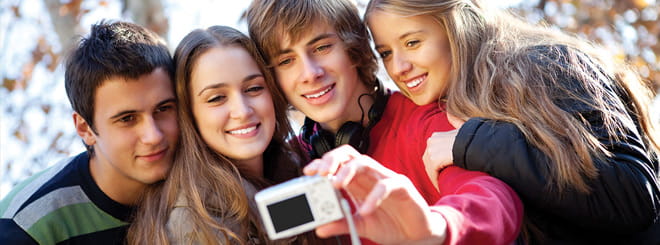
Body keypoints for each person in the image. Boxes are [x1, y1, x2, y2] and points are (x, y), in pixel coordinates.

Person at [363, 0, 660, 244]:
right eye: (386, 53)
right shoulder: (448, 112)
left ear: (457, 27)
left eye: (412, 42)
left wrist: (473, 141)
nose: (398, 67)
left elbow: (633, 195)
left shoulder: (547, 66)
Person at [245, 0, 523, 244]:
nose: (309, 73)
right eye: (286, 60)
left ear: (354, 49)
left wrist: (437, 227)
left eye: (322, 47)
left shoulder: (428, 121)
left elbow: (495, 200)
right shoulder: (289, 161)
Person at [127, 25, 338, 244]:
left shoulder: (291, 169)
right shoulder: (194, 220)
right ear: (189, 114)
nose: (242, 111)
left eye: (254, 88)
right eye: (216, 98)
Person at [0, 21, 178, 244]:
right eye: (127, 119)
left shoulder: (205, 182)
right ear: (85, 128)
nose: (154, 136)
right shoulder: (27, 227)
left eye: (163, 109)